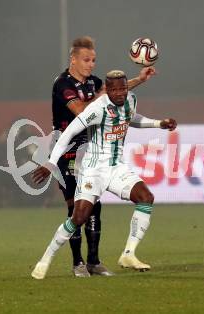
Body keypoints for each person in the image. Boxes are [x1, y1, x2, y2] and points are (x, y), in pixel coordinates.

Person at [31, 70, 176, 279]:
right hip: (94, 170)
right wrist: (51, 162)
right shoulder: (97, 108)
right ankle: (45, 259)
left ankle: (128, 254)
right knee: (78, 218)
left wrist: (158, 123)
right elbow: (70, 131)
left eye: (123, 89)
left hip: (117, 167)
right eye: (114, 89)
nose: (119, 93)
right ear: (107, 89)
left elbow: (131, 118)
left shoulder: (131, 100)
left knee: (146, 198)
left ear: (127, 88)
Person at [51, 36, 157, 277]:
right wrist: (103, 94)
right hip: (67, 151)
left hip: (90, 152)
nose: (91, 65)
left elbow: (114, 91)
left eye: (94, 60)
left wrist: (138, 80)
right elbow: (81, 110)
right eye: (86, 60)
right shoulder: (62, 85)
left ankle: (94, 262)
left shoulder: (94, 83)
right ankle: (77, 263)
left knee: (95, 208)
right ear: (73, 60)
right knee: (76, 211)